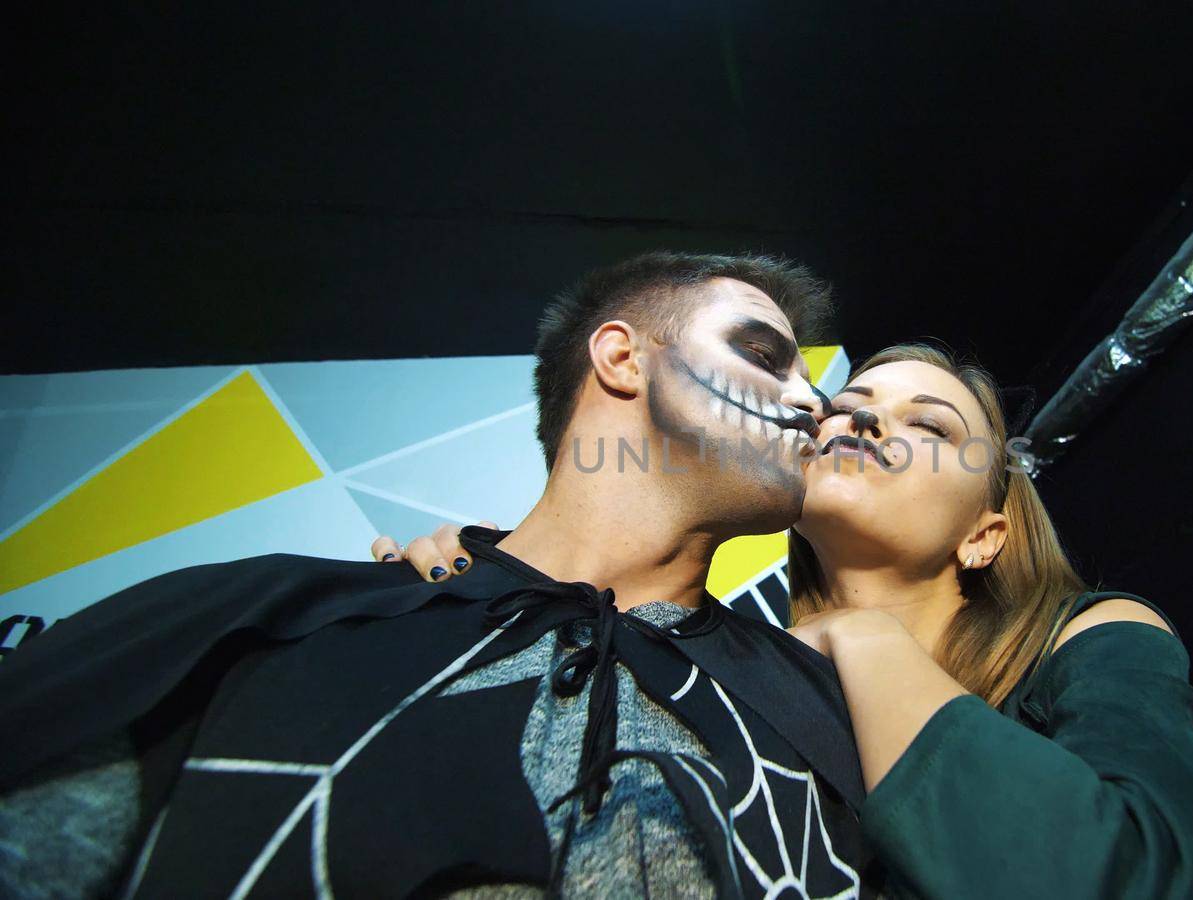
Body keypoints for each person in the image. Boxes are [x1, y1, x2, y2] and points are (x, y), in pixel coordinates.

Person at [0, 251, 885, 898]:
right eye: (763, 357)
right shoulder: (269, 622)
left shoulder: (821, 708)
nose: (813, 403)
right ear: (621, 359)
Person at [381, 343, 1193, 897]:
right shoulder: (726, 667)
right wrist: (482, 587)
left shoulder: (1092, 636)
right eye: (847, 402)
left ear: (985, 534)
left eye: (928, 424)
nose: (859, 418)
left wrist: (862, 639)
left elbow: (1139, 881)